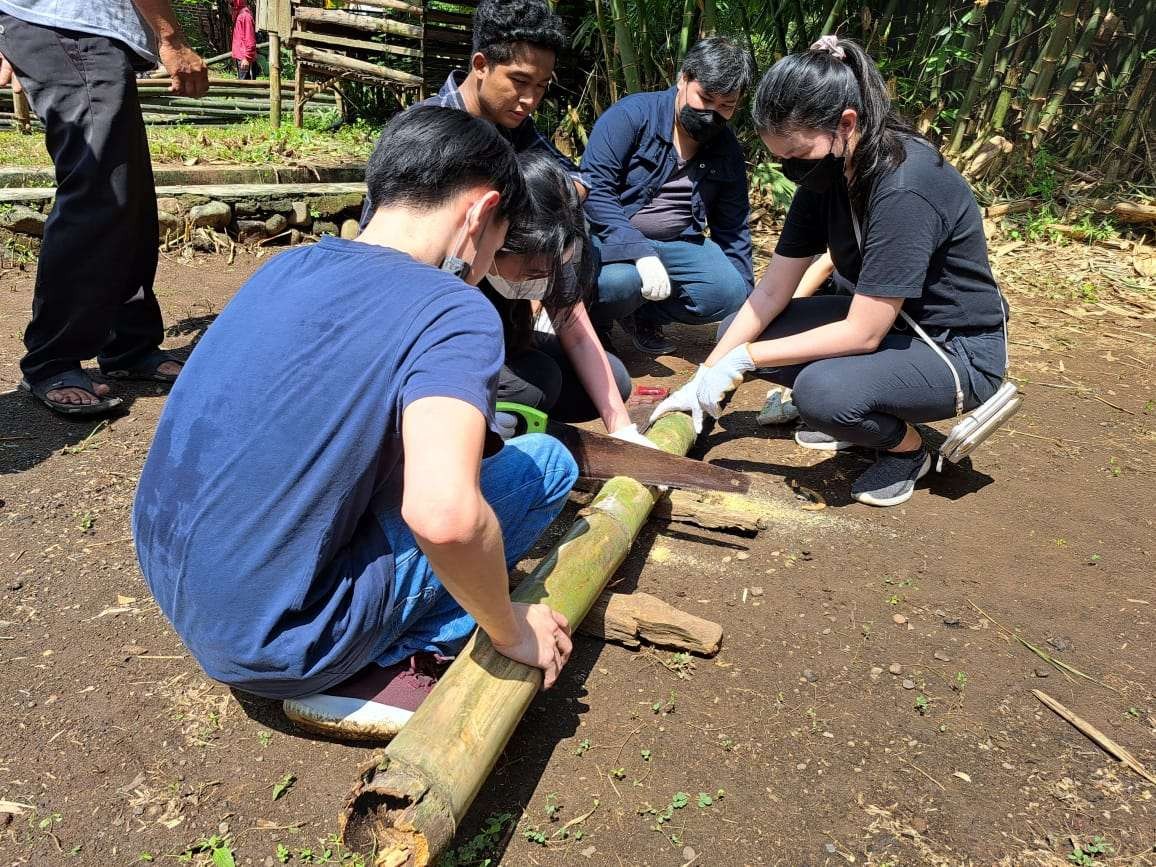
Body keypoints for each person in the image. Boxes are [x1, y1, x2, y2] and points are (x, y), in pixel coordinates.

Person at [133, 106, 579, 741]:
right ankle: (388, 663)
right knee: (548, 463)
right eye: (499, 239)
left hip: (182, 588)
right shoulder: (452, 307)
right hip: (285, 640)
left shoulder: (287, 265)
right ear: (480, 215)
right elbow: (445, 516)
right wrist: (509, 624)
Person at [650, 36, 1009, 508]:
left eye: (797, 156)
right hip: (894, 326)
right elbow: (772, 290)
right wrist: (706, 373)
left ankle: (907, 450)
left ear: (846, 124)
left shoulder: (905, 187)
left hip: (951, 348)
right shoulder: (827, 177)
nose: (790, 169)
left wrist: (745, 361)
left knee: (821, 393)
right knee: (741, 329)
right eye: (781, 158)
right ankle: (863, 408)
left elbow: (862, 333)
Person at [0, 0, 208, 416]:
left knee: (127, 193)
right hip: (65, 25)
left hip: (70, 26)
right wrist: (172, 38)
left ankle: (128, 345)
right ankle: (53, 359)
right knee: (100, 190)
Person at [581, 37, 755, 356]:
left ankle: (642, 314)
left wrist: (749, 309)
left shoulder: (726, 148)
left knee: (730, 292)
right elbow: (596, 191)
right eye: (706, 98)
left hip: (678, 242)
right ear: (683, 79)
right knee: (620, 283)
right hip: (609, 236)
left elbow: (733, 229)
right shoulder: (630, 117)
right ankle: (594, 321)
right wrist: (638, 250)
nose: (712, 113)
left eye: (726, 106)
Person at [491, 151, 650, 444]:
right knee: (535, 384)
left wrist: (622, 429)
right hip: (467, 361)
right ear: (501, 238)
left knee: (613, 378)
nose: (540, 278)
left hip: (510, 347)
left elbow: (578, 336)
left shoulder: (552, 241)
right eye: (532, 270)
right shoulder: (459, 263)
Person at [230, 0, 256, 80]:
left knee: (247, 88)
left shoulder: (245, 16)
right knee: (242, 86)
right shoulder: (239, 15)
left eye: (232, 4)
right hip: (241, 57)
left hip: (244, 59)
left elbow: (250, 39)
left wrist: (247, 58)